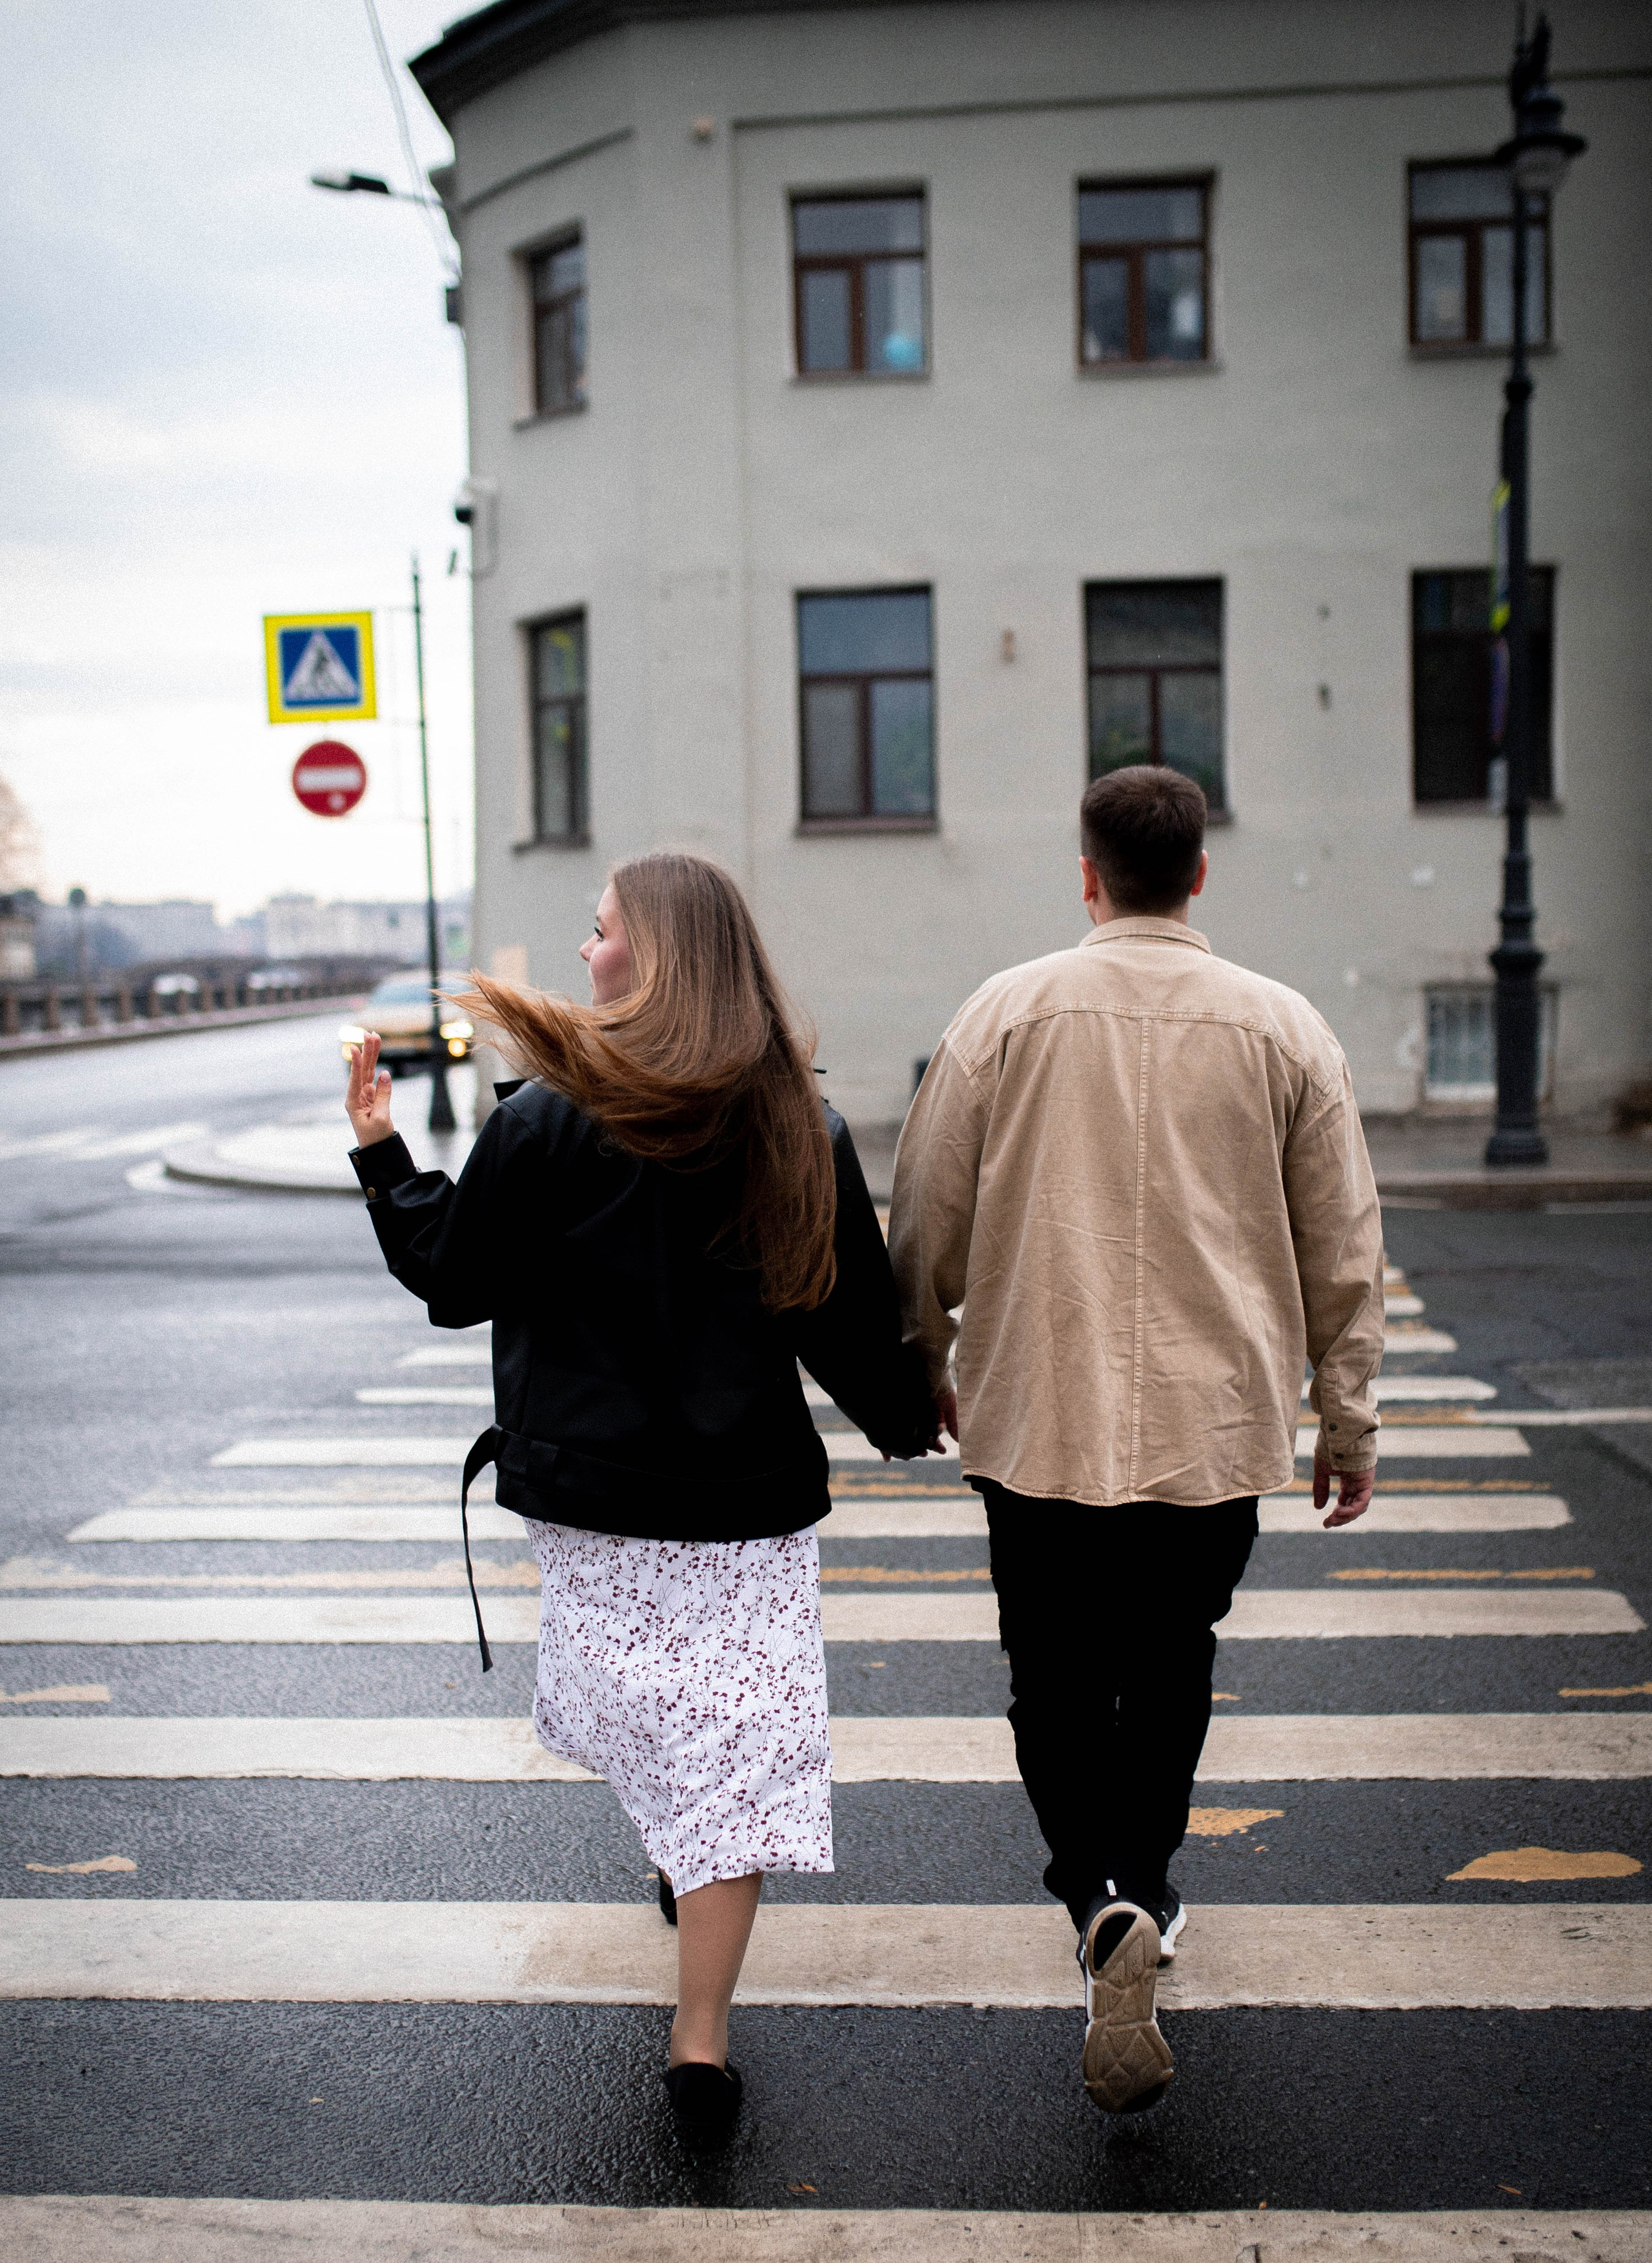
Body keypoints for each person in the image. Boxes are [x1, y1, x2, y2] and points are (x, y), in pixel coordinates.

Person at [345, 850, 936, 2144]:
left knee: (661, 1737)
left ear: (656, 955)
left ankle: (697, 2027)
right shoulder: (800, 1125)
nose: (585, 951)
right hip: (741, 1513)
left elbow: (453, 1275)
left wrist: (383, 1151)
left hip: (595, 1501)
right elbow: (845, 1322)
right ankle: (700, 2033)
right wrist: (909, 1417)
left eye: (601, 930)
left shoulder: (545, 1119)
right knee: (720, 1762)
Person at [889, 764, 1384, 2116]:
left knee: (1049, 1676)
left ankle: (1092, 1893)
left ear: (1087, 871)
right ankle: (1146, 1891)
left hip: (1033, 1410)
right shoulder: (1283, 1028)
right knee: (1168, 1668)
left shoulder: (1004, 1010)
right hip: (1208, 1423)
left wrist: (926, 1350)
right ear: (1200, 872)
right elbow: (1342, 1244)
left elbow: (925, 1207)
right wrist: (1346, 1415)